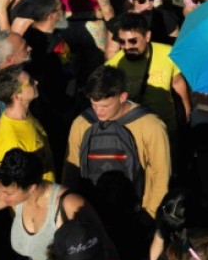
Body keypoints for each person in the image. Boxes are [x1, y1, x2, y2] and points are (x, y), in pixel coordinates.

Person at [64, 65, 171, 218]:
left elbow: (161, 176)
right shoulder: (81, 123)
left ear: (122, 97)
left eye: (105, 106)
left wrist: (150, 216)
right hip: (91, 214)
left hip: (136, 216)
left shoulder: (151, 126)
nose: (98, 111)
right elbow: (71, 171)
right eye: (94, 105)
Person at [0, 64, 55, 181]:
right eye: (30, 82)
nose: (36, 82)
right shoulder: (11, 141)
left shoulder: (24, 115)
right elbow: (18, 186)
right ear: (17, 95)